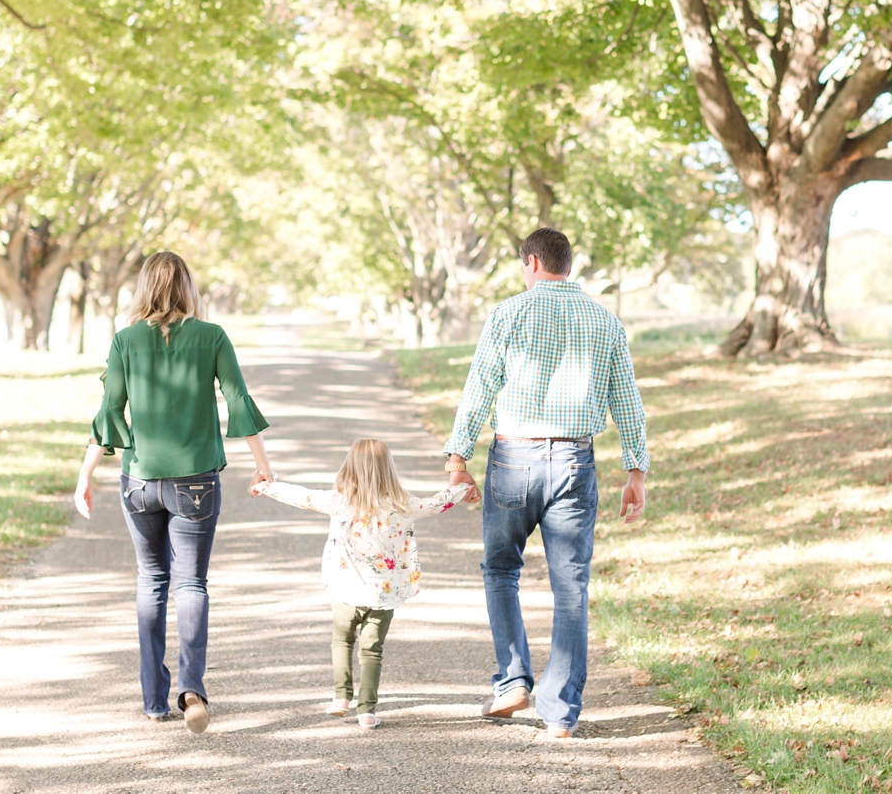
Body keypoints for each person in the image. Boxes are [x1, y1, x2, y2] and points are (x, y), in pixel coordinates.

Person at [443, 227, 650, 739]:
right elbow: (627, 399)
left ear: (532, 262)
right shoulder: (605, 321)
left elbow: (481, 384)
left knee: (500, 570)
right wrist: (636, 470)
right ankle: (560, 713)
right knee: (570, 586)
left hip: (513, 456)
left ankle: (513, 681)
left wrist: (458, 456)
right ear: (568, 265)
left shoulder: (509, 313)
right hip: (575, 462)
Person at [73, 251, 272, 734]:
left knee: (151, 580)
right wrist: (263, 467)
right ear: (188, 287)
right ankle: (192, 690)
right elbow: (238, 399)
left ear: (144, 287)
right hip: (196, 482)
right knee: (191, 584)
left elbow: (109, 412)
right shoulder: (212, 336)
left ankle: (152, 700)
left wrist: (84, 477)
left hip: (139, 481)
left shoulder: (125, 340)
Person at [251, 438, 467, 729]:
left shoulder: (339, 502)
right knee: (371, 651)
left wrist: (266, 485)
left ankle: (341, 698)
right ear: (388, 470)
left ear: (349, 468)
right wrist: (464, 487)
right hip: (383, 594)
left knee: (341, 641)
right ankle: (366, 711)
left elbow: (302, 496)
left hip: (345, 591)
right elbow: (438, 503)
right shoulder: (403, 505)